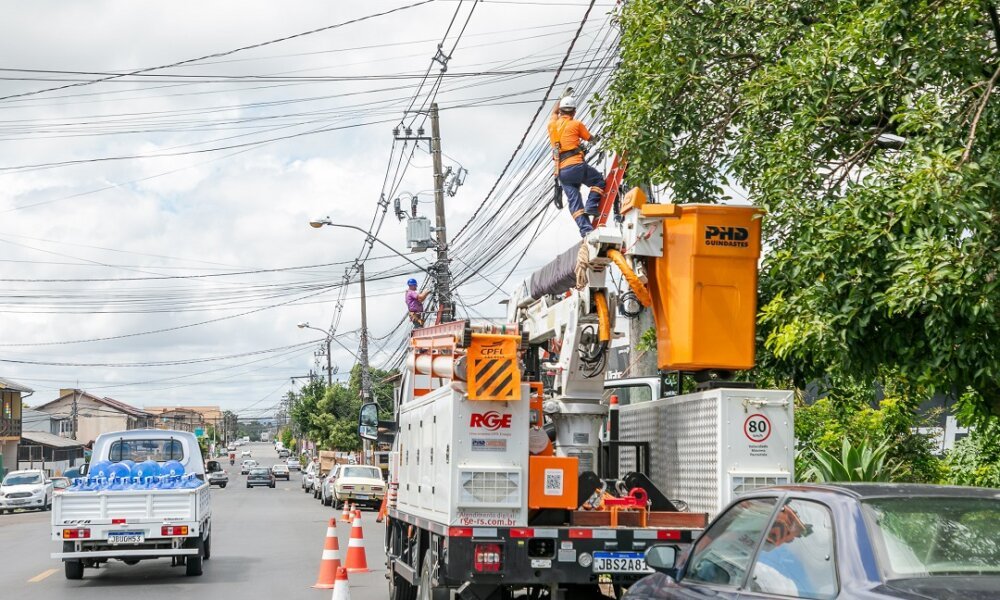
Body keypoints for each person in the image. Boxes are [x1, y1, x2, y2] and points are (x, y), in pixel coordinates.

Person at [548, 95, 605, 237]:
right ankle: (591, 205)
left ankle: (586, 231)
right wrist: (602, 137)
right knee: (598, 181)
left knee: (575, 203)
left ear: (561, 111)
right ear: (574, 112)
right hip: (576, 166)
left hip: (562, 172)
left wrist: (559, 97)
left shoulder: (552, 125)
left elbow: (553, 114)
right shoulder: (576, 124)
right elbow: (590, 139)